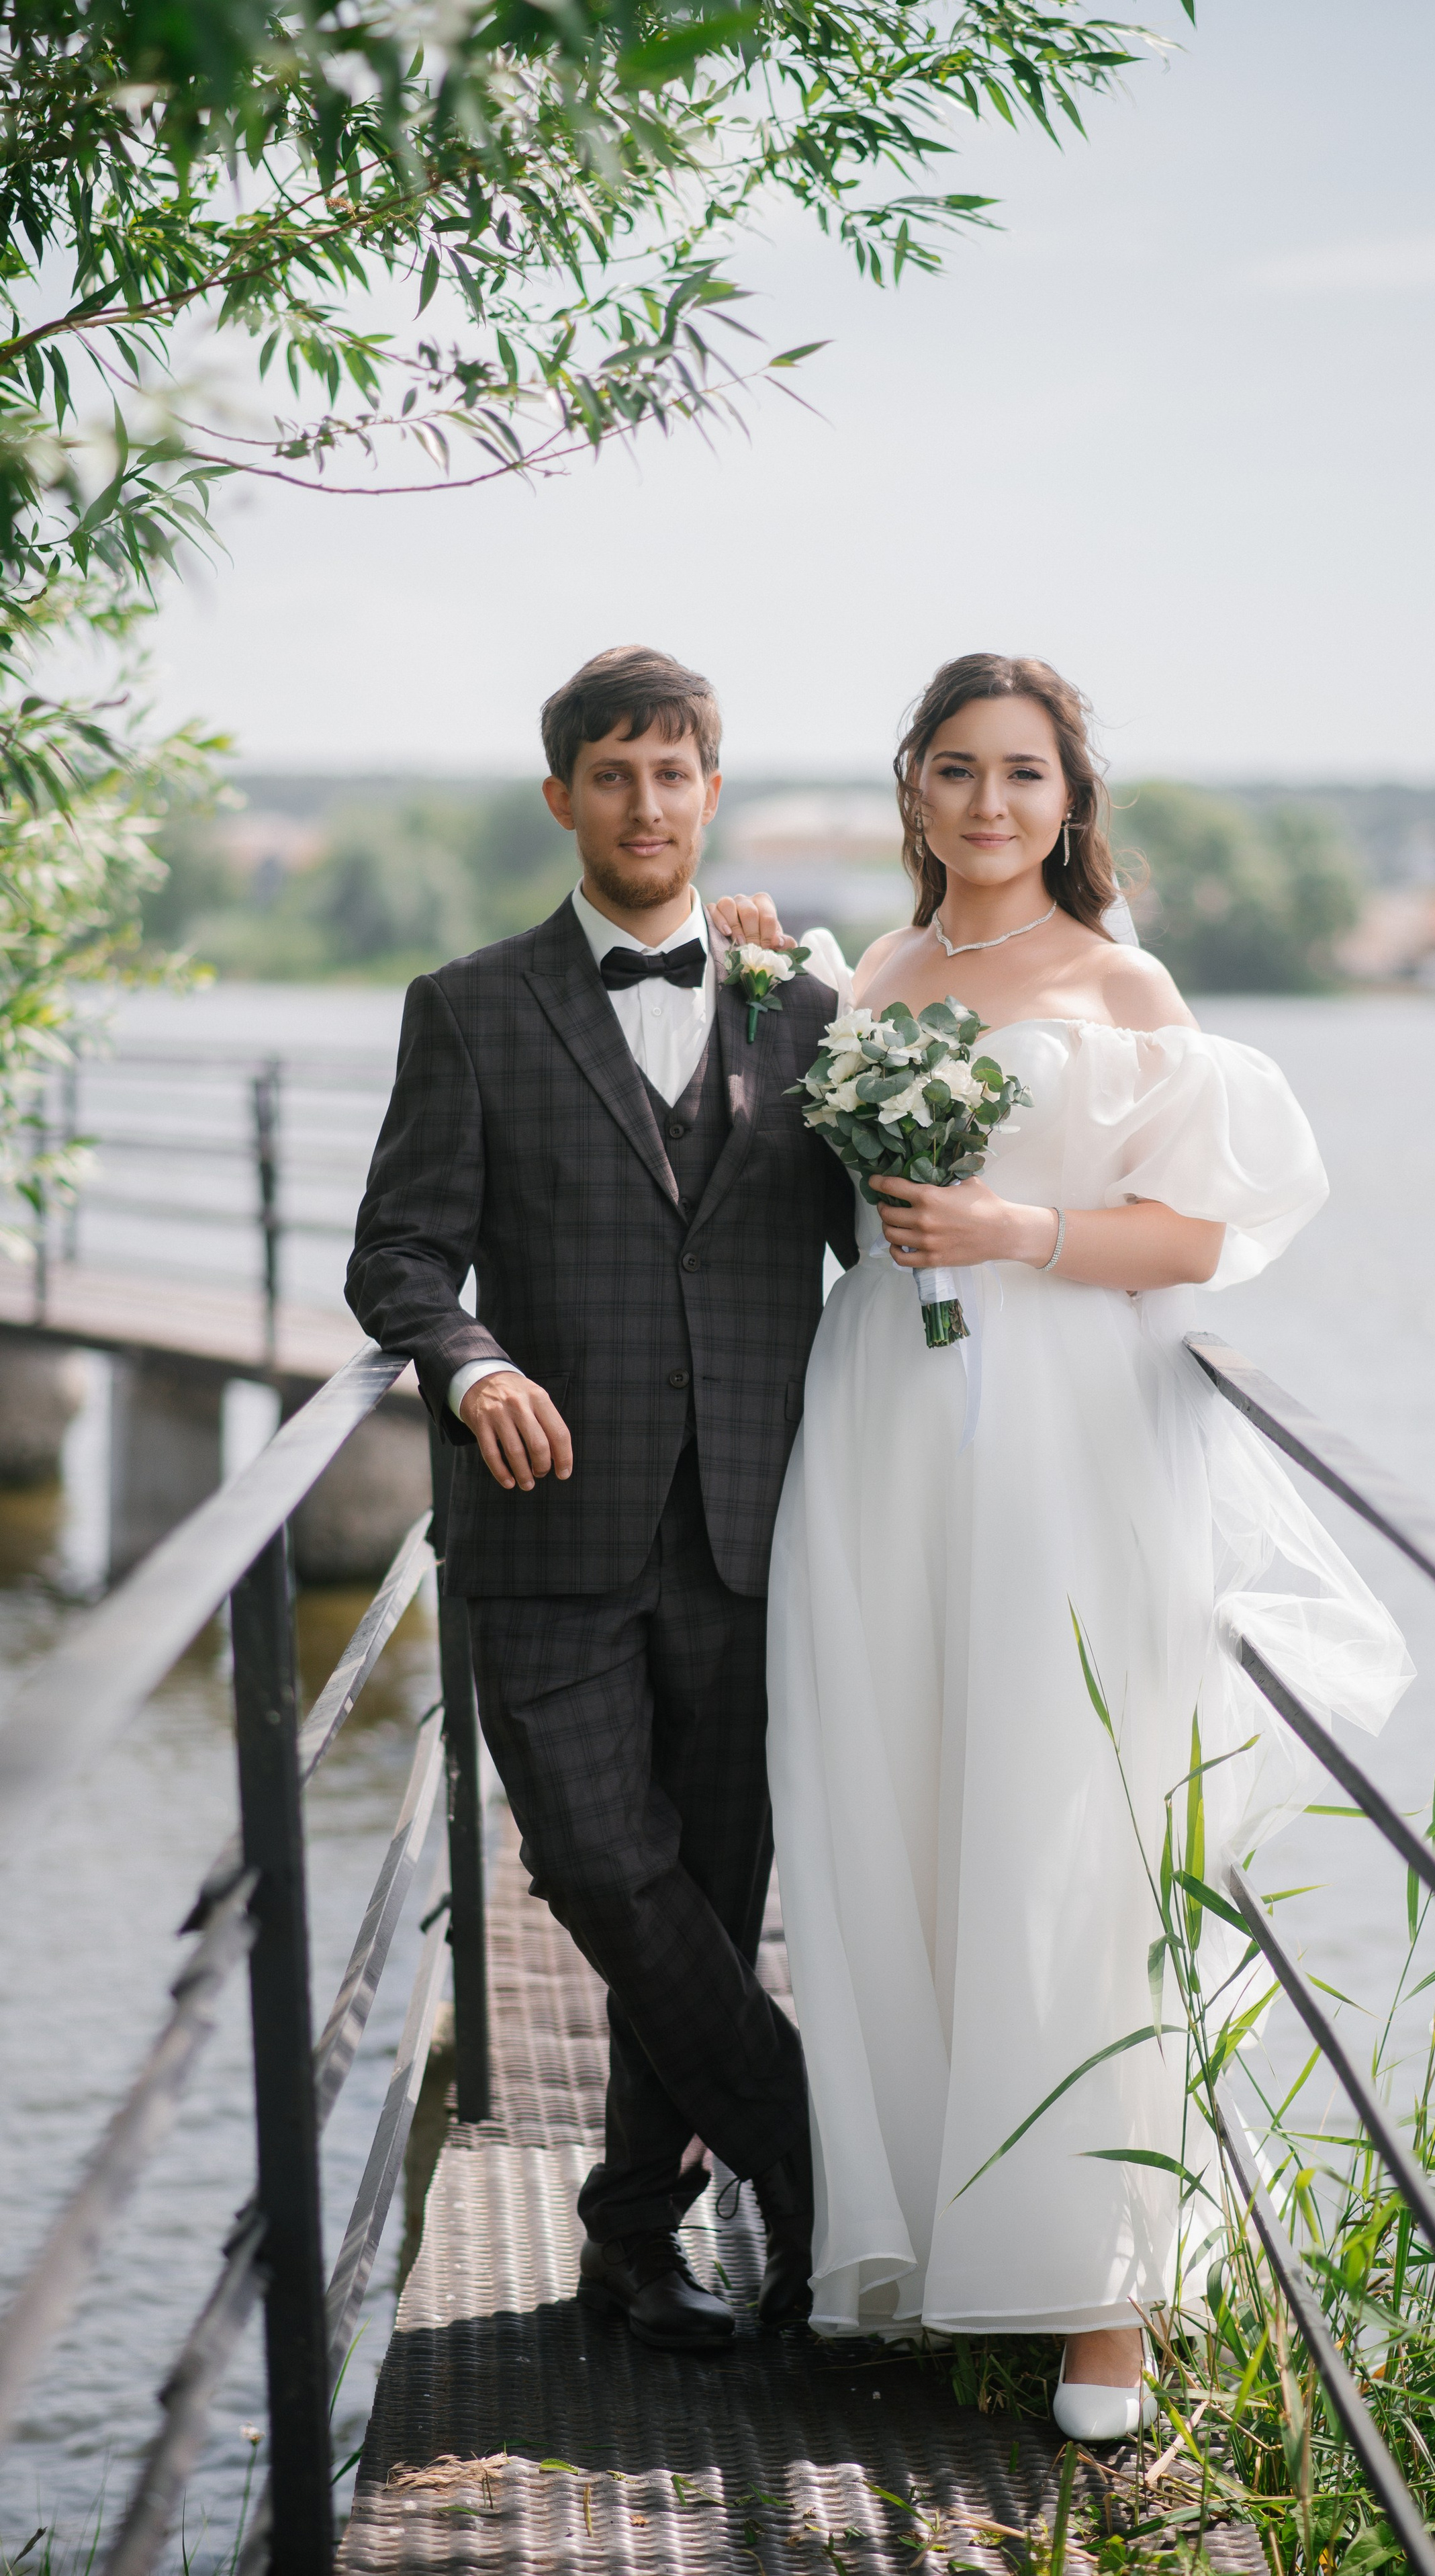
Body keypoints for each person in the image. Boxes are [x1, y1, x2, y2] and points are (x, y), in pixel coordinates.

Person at [763, 654, 1411, 2438]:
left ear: (1069, 800)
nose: (989, 802)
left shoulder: (1120, 980)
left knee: (1073, 1804)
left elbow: (1202, 1233)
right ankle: (916, 2235)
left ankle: (1102, 2289)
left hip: (1057, 1433)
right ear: (911, 789)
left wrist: (1017, 1223)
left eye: (1023, 773)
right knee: (901, 1801)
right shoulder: (878, 975)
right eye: (957, 769)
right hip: (887, 1421)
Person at [346, 644, 855, 2350]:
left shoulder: (808, 1016)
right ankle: (814, 2160)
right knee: (599, 1873)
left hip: (752, 1535)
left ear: (714, 790)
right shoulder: (469, 1005)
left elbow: (892, 1238)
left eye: (675, 772)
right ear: (561, 795)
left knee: (707, 1894)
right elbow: (399, 1250)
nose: (647, 803)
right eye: (613, 774)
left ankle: (634, 2241)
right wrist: (472, 1360)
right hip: (547, 1535)